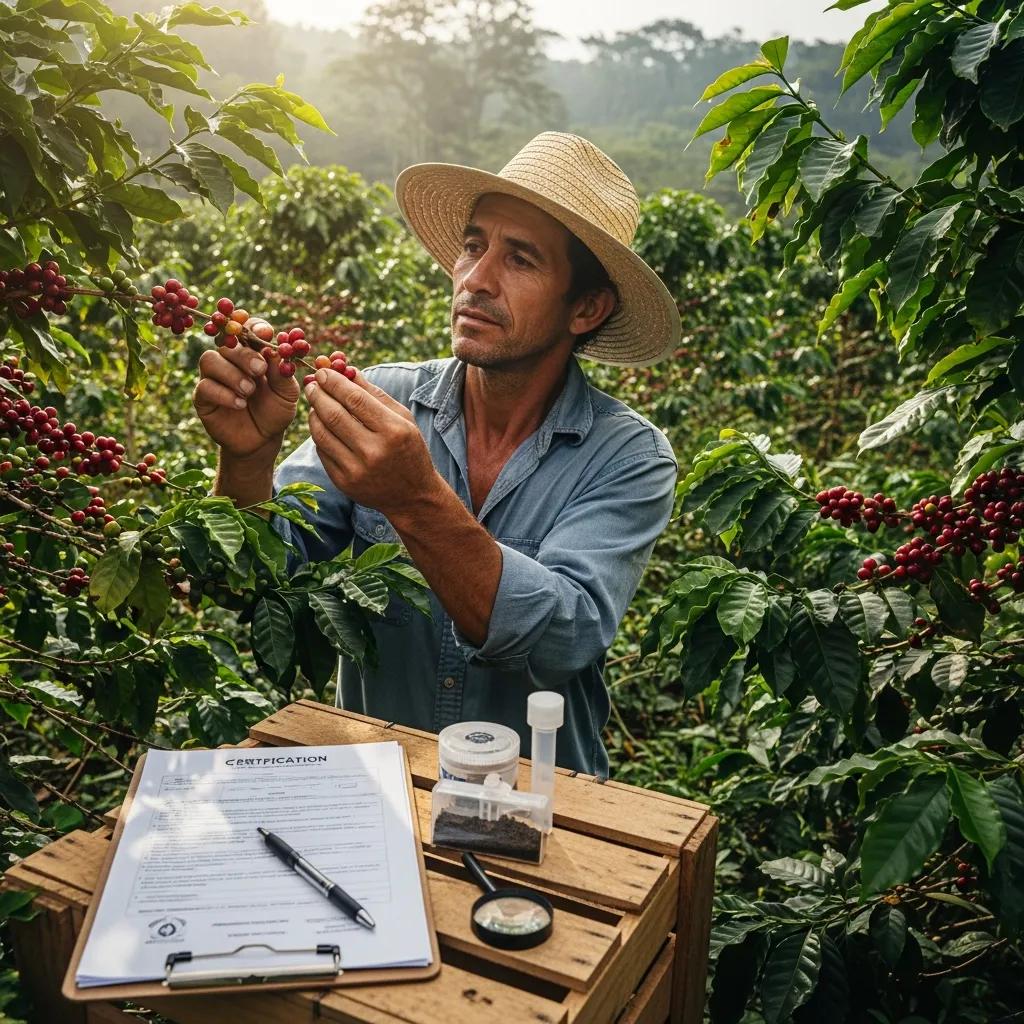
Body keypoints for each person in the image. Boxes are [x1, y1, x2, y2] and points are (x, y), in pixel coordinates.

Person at [193, 132, 681, 776]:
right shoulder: (386, 399)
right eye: (474, 246)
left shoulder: (628, 457)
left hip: (540, 805)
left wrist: (415, 498)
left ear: (586, 308)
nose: (475, 279)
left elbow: (566, 634)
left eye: (521, 260)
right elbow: (253, 582)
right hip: (380, 789)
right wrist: (248, 462)